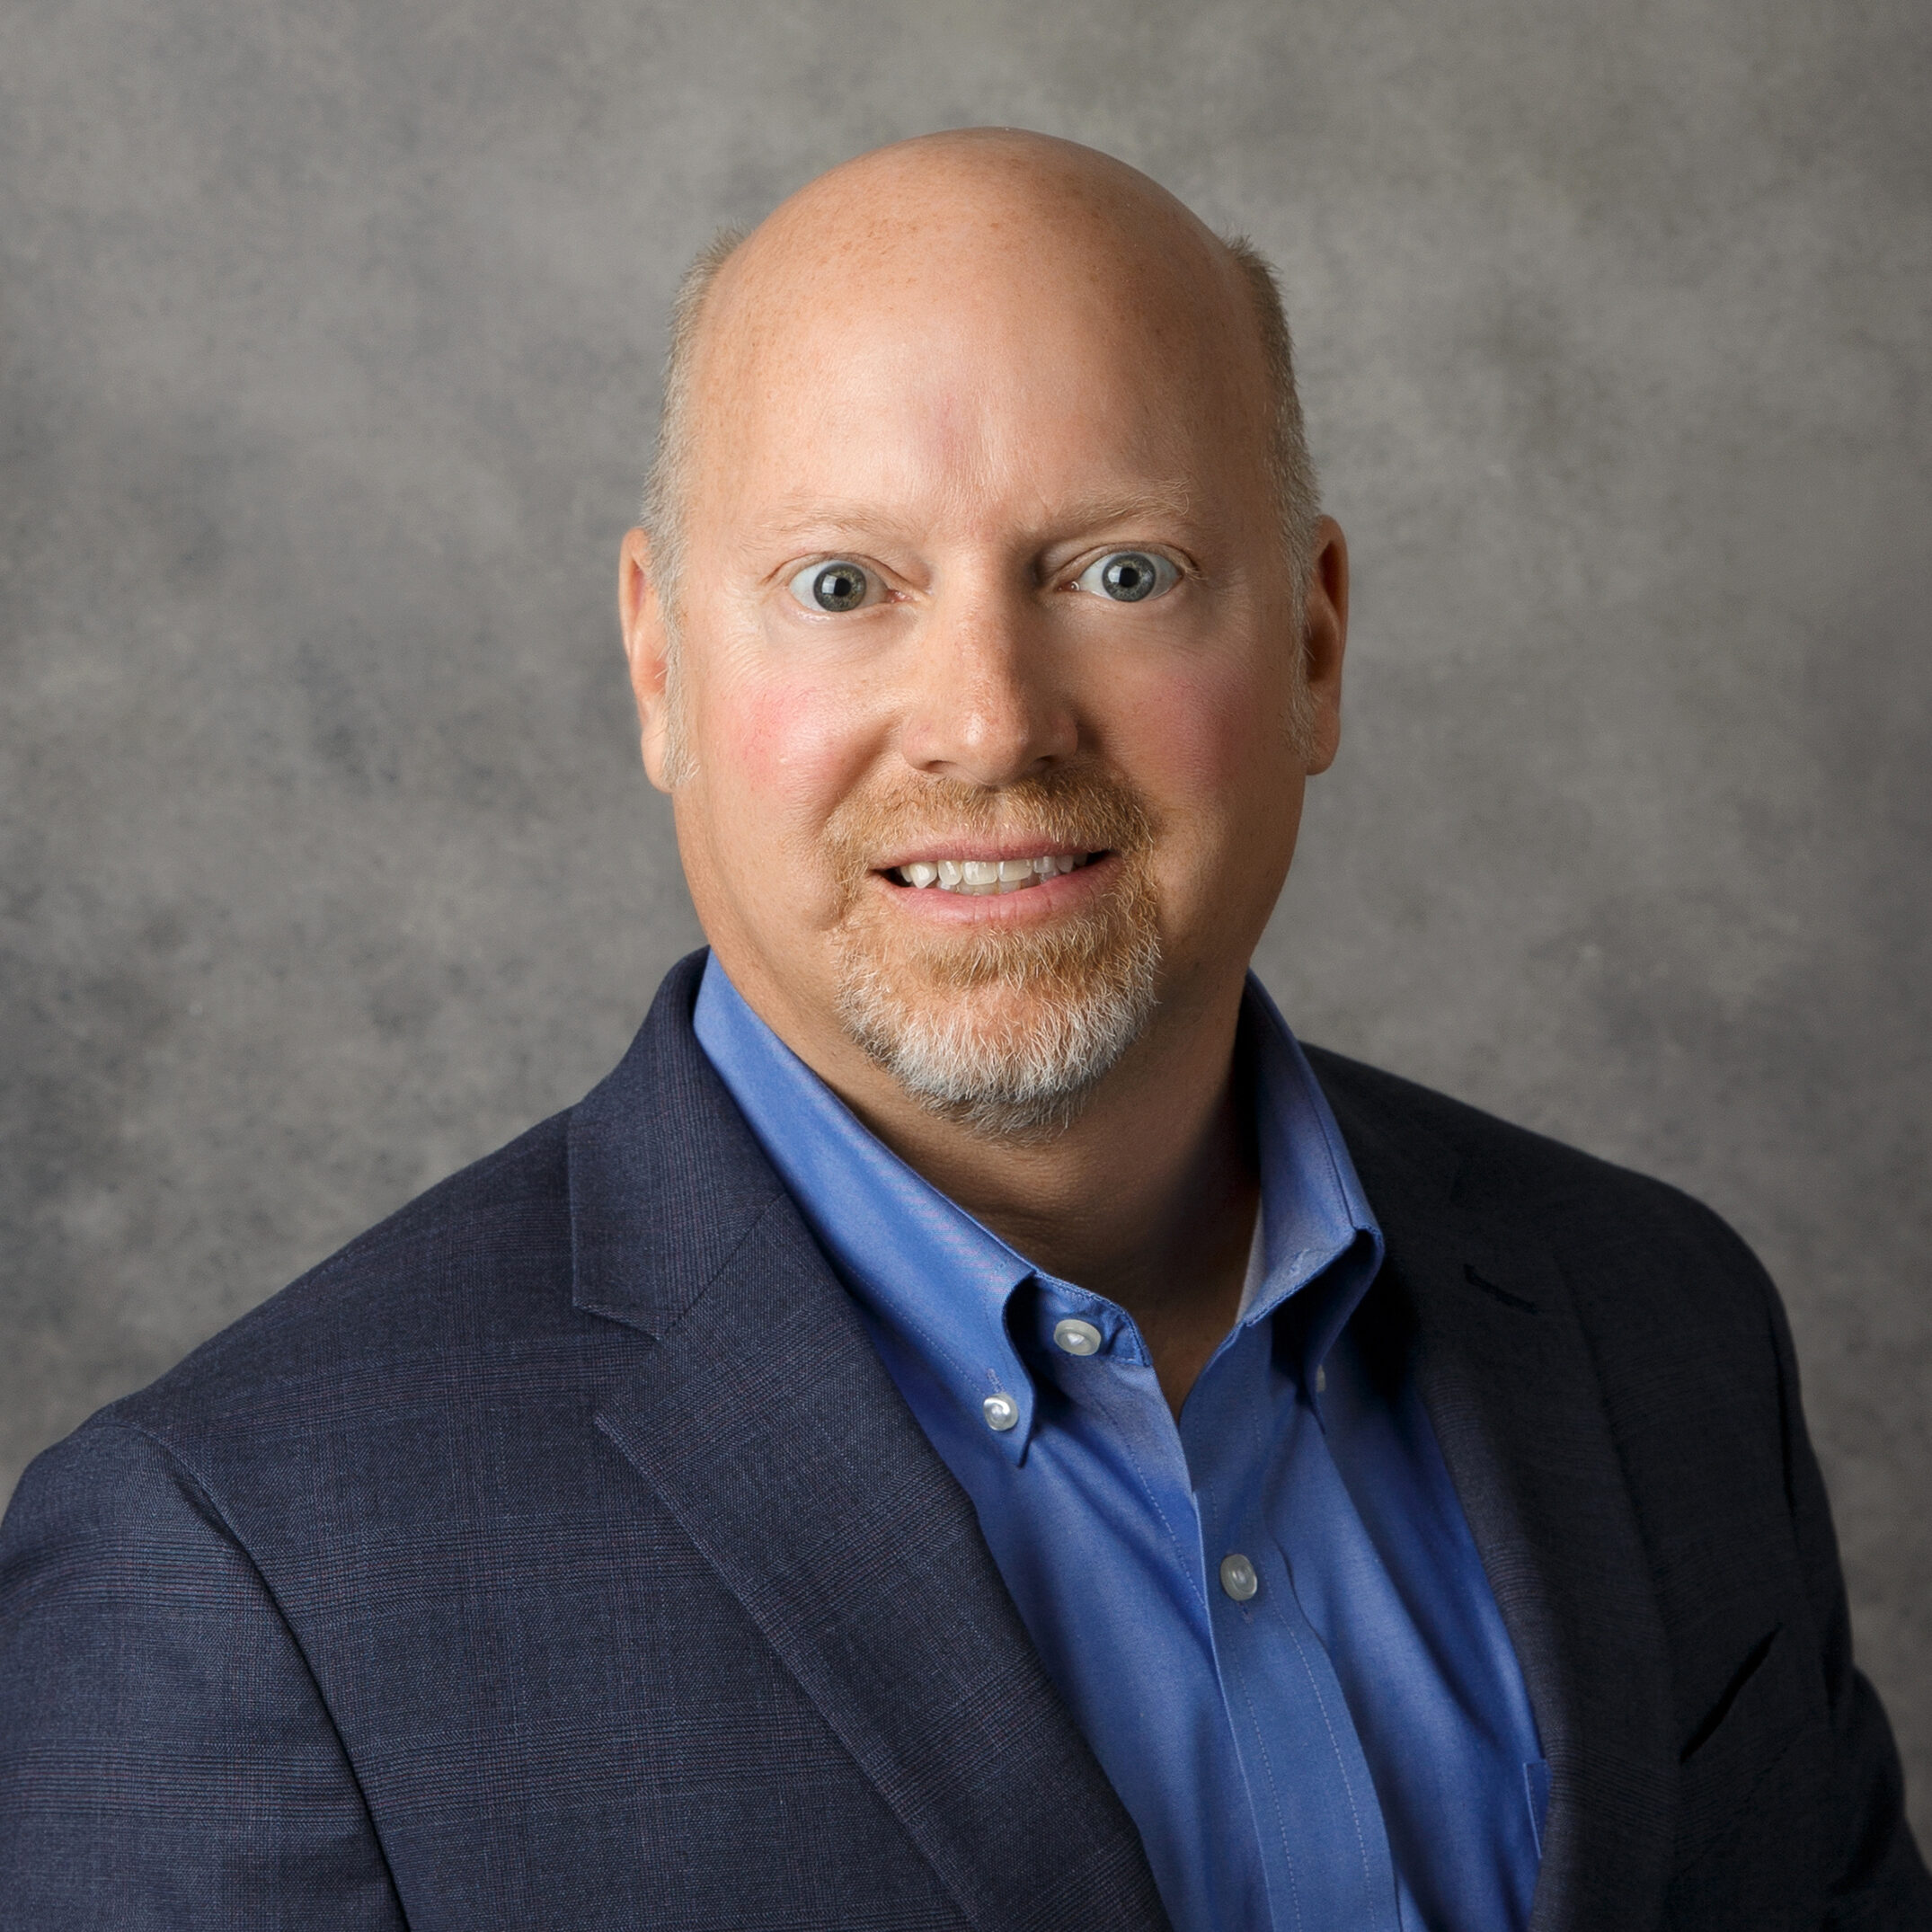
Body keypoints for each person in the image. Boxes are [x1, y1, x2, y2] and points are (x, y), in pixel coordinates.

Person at [0, 129, 1924, 1932]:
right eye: (843, 585)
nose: (991, 721)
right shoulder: (232, 1568)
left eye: (1119, 571)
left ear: (1316, 640)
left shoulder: (1654, 1322)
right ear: (660, 662)